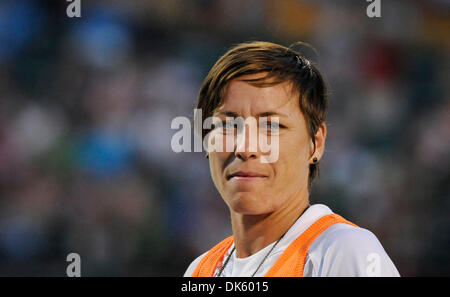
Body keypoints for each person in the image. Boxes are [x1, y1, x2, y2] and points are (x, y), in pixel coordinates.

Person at [184, 41, 400, 277]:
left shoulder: (343, 251)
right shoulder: (200, 270)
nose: (245, 147)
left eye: (271, 125)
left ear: (315, 144)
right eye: (227, 125)